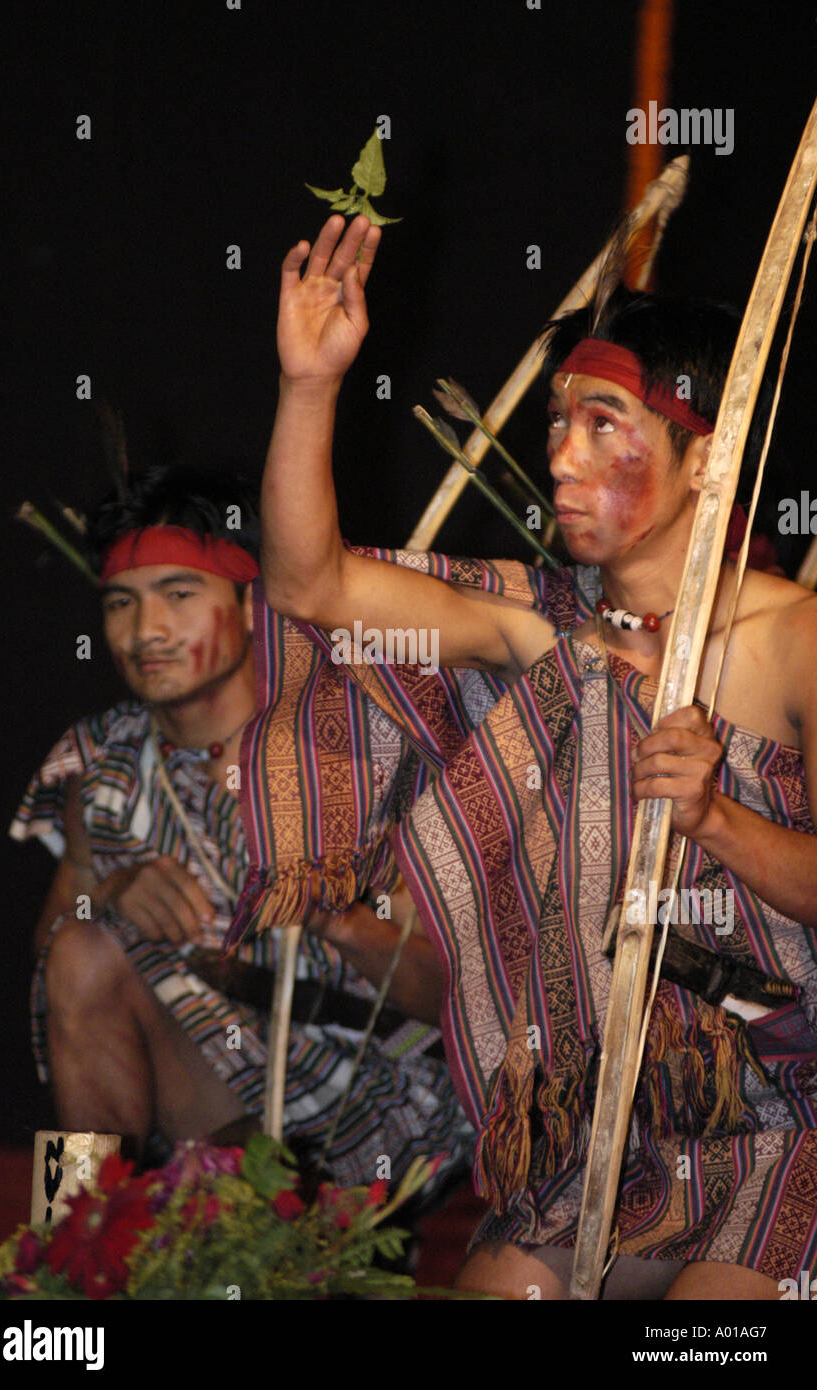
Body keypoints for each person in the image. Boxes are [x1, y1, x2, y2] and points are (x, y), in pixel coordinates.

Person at [242, 212, 817, 1299]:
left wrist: (718, 820)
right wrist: (310, 383)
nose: (561, 454)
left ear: (712, 454)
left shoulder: (799, 643)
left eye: (606, 426)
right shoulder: (548, 628)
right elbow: (308, 590)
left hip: (789, 1121)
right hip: (611, 1128)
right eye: (561, 423)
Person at [11, 462, 475, 1191]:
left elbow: (457, 997)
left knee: (222, 1200)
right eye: (120, 604)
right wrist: (110, 891)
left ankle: (216, 1224)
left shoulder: (354, 751)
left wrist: (342, 921)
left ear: (254, 606)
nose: (145, 631)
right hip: (201, 1090)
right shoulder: (101, 761)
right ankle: (69, 1229)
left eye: (180, 594)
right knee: (82, 951)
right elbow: (53, 975)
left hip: (373, 1094)